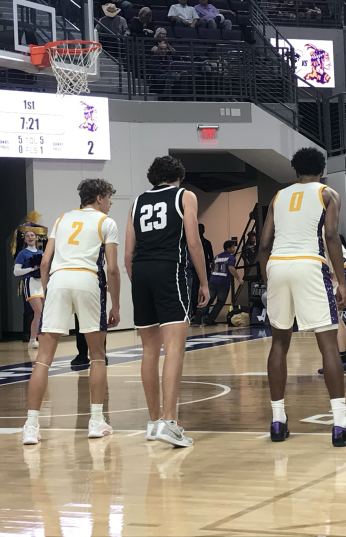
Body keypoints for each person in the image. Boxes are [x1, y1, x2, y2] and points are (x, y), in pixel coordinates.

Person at [258, 147, 346, 446]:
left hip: (277, 264)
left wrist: (270, 277)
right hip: (309, 264)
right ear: (322, 170)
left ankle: (278, 421)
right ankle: (341, 424)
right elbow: (331, 236)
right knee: (328, 344)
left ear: (295, 172)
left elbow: (264, 243)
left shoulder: (278, 196)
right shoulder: (328, 193)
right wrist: (341, 282)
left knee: (279, 343)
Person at [23, 179, 121, 446]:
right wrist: (116, 304)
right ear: (100, 198)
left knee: (43, 359)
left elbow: (45, 262)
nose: (111, 202)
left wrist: (48, 288)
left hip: (58, 280)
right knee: (97, 356)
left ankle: (31, 426)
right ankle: (96, 420)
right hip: (87, 280)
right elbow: (112, 269)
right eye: (110, 197)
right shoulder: (106, 222)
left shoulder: (61, 219)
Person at [124, 158, 208, 447]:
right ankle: (170, 423)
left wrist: (139, 281)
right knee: (174, 349)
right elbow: (193, 242)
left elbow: (127, 253)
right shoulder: (185, 196)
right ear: (179, 177)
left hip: (141, 272)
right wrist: (204, 282)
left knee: (149, 350)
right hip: (169, 270)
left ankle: (153, 422)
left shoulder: (136, 202)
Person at [317, 237, 346, 373]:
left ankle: (342, 361)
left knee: (333, 317)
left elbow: (331, 251)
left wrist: (336, 278)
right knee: (337, 316)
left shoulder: (320, 229)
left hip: (345, 268)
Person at [13, 220, 47, 349]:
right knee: (38, 311)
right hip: (30, 282)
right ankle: (35, 338)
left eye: (32, 235)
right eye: (27, 236)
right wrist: (32, 269)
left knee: (42, 312)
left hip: (41, 283)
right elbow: (16, 272)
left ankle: (36, 338)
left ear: (36, 237)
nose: (30, 238)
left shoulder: (41, 253)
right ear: (25, 239)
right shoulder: (22, 254)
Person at [200, 240, 242, 325]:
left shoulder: (217, 256)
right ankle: (210, 319)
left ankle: (200, 311)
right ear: (228, 248)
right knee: (220, 301)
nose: (234, 249)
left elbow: (212, 267)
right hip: (223, 281)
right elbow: (231, 268)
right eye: (233, 247)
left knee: (210, 299)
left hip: (213, 279)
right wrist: (239, 279)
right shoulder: (231, 257)